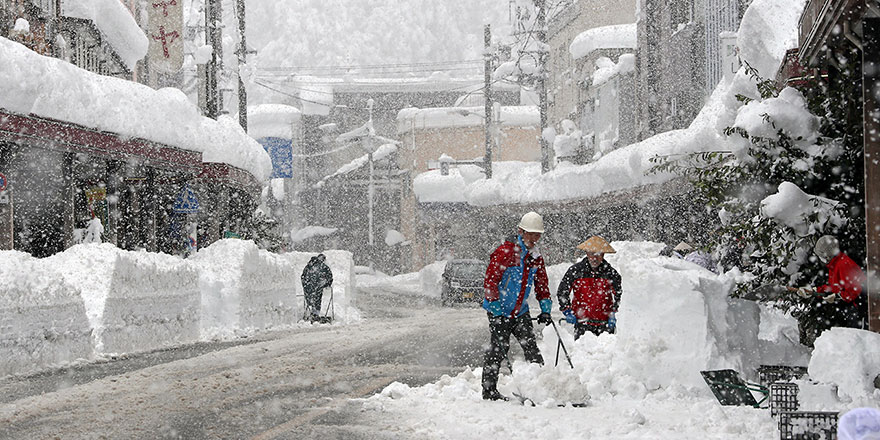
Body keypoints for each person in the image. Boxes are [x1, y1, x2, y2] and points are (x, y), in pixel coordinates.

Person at [481, 211, 553, 401]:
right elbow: (490, 281)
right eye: (531, 234)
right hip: (500, 310)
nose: (534, 239)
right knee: (498, 350)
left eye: (538, 235)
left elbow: (542, 283)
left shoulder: (535, 257)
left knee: (532, 349)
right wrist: (495, 308)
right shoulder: (505, 252)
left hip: (520, 311)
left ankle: (540, 387)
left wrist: (545, 308)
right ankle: (489, 391)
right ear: (521, 231)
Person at [557, 236, 623, 339]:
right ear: (587, 253)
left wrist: (614, 313)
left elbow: (620, 295)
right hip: (582, 324)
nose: (594, 258)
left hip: (605, 325)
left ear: (603, 254)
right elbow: (562, 292)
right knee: (582, 349)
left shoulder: (611, 273)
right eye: (591, 254)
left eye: (598, 254)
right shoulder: (575, 271)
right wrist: (567, 310)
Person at [796, 235, 867, 330]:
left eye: (820, 256)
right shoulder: (835, 264)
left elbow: (855, 291)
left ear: (827, 256)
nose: (819, 258)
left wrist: (837, 296)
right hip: (850, 309)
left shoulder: (843, 264)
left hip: (857, 310)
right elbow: (835, 287)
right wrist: (814, 291)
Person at [301, 253, 333, 323]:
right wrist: (327, 284)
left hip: (308, 286)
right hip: (317, 287)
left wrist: (305, 285)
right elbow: (329, 276)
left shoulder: (309, 265)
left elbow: (303, 276)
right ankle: (315, 314)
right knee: (317, 300)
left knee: (310, 299)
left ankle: (312, 313)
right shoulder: (323, 266)